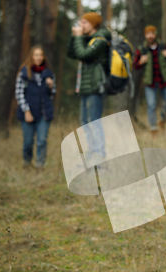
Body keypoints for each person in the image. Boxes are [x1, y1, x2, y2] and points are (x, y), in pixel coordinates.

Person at [67, 11, 110, 164]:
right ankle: (92, 154)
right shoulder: (87, 39)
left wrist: (78, 37)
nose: (81, 25)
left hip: (95, 87)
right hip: (85, 87)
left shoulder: (101, 40)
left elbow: (84, 55)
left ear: (93, 24)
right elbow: (72, 53)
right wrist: (75, 37)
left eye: (84, 23)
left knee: (94, 121)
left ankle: (99, 156)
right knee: (85, 121)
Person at [15, 45, 56, 169]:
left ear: (44, 57)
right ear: (32, 56)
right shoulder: (24, 73)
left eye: (41, 55)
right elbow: (19, 93)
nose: (38, 57)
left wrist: (51, 86)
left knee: (41, 141)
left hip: (44, 113)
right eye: (36, 55)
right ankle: (27, 163)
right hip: (28, 112)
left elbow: (53, 95)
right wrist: (26, 111)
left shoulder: (48, 74)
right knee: (28, 142)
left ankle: (40, 165)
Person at [134, 25, 166, 138]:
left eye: (152, 33)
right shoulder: (142, 49)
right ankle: (153, 129)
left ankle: (162, 120)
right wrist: (141, 62)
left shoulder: (162, 46)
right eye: (148, 34)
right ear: (145, 35)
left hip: (164, 80)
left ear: (155, 34)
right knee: (151, 105)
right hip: (150, 82)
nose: (150, 36)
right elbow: (135, 65)